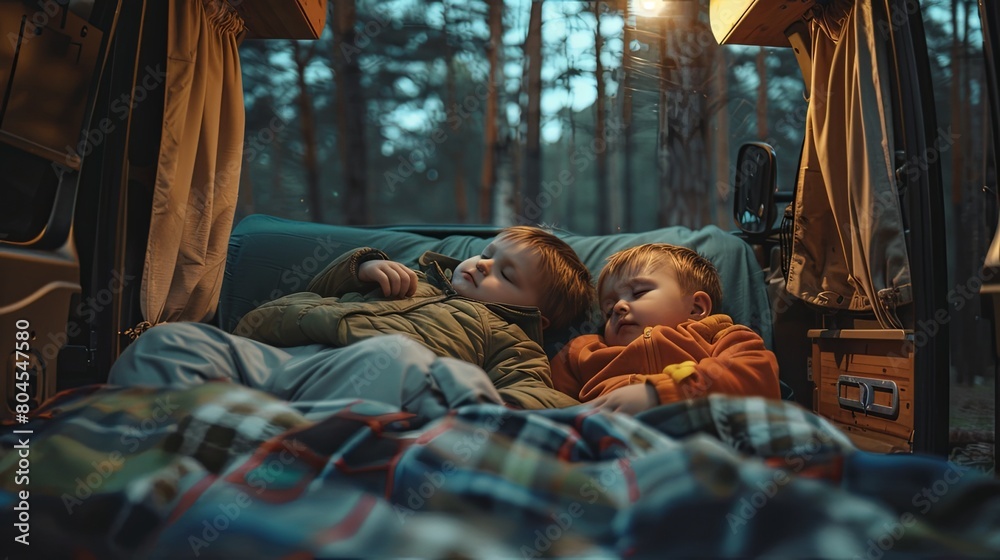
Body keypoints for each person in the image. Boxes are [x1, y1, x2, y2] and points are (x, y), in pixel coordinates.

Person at [227, 225, 595, 409]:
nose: (483, 266)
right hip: (281, 348)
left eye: (507, 274)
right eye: (486, 254)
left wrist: (479, 404)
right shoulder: (410, 277)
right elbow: (322, 288)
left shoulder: (509, 337)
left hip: (361, 379)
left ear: (537, 317)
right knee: (178, 339)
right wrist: (364, 267)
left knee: (400, 356)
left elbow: (534, 393)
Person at [551, 243, 780, 414]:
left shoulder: (722, 339)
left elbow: (758, 381)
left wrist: (660, 394)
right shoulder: (582, 352)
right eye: (608, 311)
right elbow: (550, 403)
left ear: (696, 308)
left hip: (696, 433)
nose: (619, 306)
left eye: (639, 293)